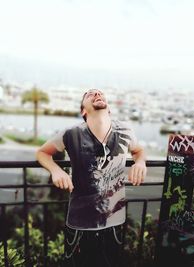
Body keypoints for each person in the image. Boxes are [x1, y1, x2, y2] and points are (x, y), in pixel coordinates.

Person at [36, 89, 147, 267]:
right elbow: (42, 153)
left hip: (114, 221)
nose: (97, 94)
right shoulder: (70, 133)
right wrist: (56, 171)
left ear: (109, 109)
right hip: (79, 221)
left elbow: (138, 151)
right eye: (90, 95)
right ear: (83, 111)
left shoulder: (125, 130)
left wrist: (140, 163)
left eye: (100, 94)